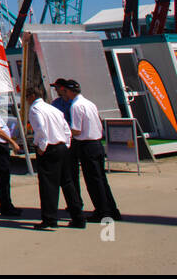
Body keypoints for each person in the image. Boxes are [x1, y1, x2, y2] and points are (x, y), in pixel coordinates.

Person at [61, 79, 122, 220]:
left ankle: (102, 211)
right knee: (101, 179)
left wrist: (65, 131)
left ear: (69, 91)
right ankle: (112, 209)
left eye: (65, 91)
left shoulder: (76, 106)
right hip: (97, 143)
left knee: (93, 181)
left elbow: (76, 130)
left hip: (86, 145)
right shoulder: (90, 103)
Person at [26, 86, 84, 230]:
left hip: (50, 148)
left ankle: (49, 219)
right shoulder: (54, 109)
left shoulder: (35, 109)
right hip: (62, 147)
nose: (26, 100)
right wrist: (66, 144)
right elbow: (66, 129)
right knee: (68, 183)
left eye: (27, 96)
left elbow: (40, 130)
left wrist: (41, 147)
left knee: (48, 185)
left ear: (32, 96)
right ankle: (78, 217)